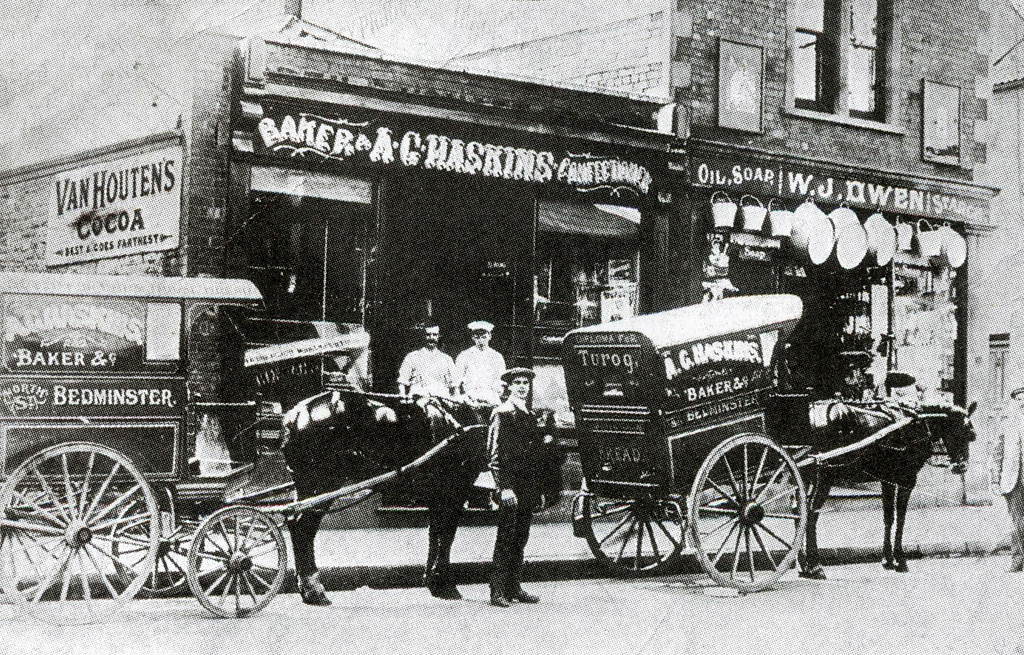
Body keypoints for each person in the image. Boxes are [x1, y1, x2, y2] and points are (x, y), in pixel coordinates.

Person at [488, 367, 543, 608]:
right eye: (517, 383)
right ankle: (497, 590)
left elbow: (533, 457)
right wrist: (504, 488)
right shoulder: (502, 413)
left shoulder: (528, 415)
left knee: (521, 536)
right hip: (510, 486)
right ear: (509, 386)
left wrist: (537, 490)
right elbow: (495, 455)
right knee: (506, 537)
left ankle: (514, 586)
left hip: (527, 486)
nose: (522, 386)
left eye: (525, 383)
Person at [991, 386, 1024, 573]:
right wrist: (995, 480)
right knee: (1017, 523)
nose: (1023, 403)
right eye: (1019, 399)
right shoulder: (1007, 425)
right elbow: (997, 453)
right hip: (1014, 480)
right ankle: (1017, 561)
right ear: (1015, 402)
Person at [455, 320, 506, 406]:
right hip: (470, 397)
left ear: (490, 336)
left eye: (483, 337)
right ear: (472, 337)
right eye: (477, 337)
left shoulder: (497, 357)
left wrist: (496, 394)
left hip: (491, 397)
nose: (481, 341)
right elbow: (457, 379)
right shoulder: (464, 355)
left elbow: (501, 380)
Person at [397, 325, 456, 398]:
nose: (431, 338)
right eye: (428, 335)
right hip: (418, 400)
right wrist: (403, 399)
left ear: (439, 336)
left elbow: (454, 385)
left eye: (435, 335)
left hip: (441, 400)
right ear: (423, 336)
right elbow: (402, 381)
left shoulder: (447, 359)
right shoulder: (412, 357)